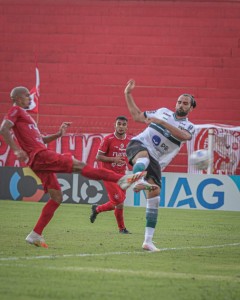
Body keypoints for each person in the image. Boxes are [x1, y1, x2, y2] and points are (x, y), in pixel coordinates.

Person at [0, 86, 146, 248]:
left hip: (38, 159)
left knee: (57, 198)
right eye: (27, 96)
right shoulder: (15, 110)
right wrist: (15, 150)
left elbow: (41, 140)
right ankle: (123, 179)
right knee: (79, 165)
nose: (30, 98)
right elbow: (3, 128)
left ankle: (35, 234)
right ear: (19, 98)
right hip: (40, 156)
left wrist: (58, 134)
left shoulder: (26, 118)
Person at [124, 79, 196, 252]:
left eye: (185, 103)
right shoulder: (163, 111)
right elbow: (137, 116)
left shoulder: (190, 126)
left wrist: (163, 123)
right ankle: (135, 182)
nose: (181, 104)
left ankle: (148, 241)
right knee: (143, 157)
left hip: (156, 160)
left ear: (191, 108)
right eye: (179, 101)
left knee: (154, 196)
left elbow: (184, 136)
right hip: (139, 145)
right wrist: (127, 94)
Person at [90, 116, 132, 234]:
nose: (121, 127)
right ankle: (98, 210)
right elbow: (98, 157)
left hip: (122, 174)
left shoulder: (130, 140)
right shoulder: (108, 139)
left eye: (124, 124)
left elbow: (130, 156)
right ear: (115, 125)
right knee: (118, 201)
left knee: (119, 204)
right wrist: (114, 159)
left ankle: (121, 228)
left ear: (127, 127)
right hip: (108, 174)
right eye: (119, 124)